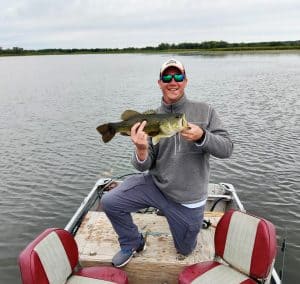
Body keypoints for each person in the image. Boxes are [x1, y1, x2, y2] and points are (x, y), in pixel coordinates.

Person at [101, 58, 233, 268]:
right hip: (157, 187)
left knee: (185, 249)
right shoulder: (150, 118)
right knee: (110, 202)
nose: (173, 81)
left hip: (188, 199)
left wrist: (203, 137)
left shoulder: (205, 111)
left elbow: (227, 149)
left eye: (178, 76)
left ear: (186, 81)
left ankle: (186, 221)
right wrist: (142, 150)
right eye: (167, 77)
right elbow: (143, 166)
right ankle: (132, 242)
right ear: (160, 83)